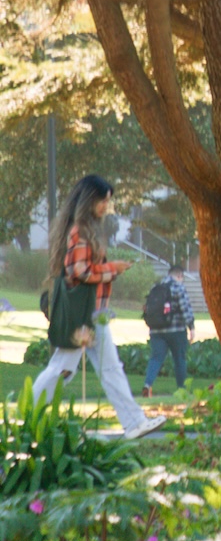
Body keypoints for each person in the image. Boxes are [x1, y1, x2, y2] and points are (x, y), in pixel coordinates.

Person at [32, 175, 168, 439]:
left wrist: (109, 270)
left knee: (106, 368)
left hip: (94, 313)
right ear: (89, 200)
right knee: (62, 368)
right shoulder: (80, 231)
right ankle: (30, 414)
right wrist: (111, 269)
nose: (106, 206)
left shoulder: (83, 229)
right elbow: (78, 271)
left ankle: (134, 422)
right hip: (85, 313)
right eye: (103, 200)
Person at [142, 264, 195, 396]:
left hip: (156, 330)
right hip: (176, 330)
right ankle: (182, 390)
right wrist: (191, 327)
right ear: (179, 276)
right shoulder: (179, 287)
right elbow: (185, 309)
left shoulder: (155, 287)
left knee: (156, 358)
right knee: (179, 359)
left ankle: (148, 384)